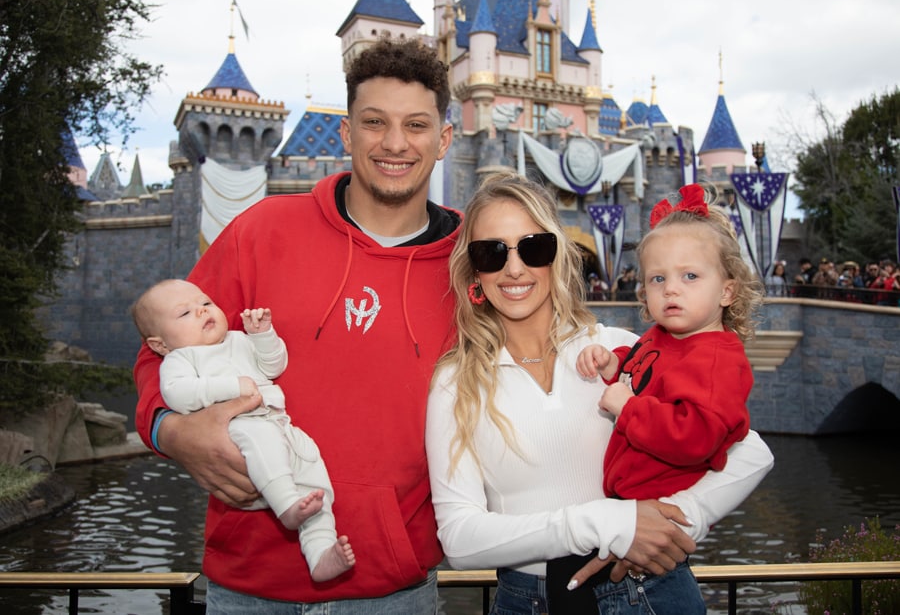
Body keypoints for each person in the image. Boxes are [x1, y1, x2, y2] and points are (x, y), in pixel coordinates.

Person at [133, 37, 459, 612]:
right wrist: (171, 432)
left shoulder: (474, 263)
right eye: (374, 122)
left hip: (392, 589)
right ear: (346, 133)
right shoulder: (263, 231)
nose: (394, 143)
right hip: (251, 583)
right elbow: (159, 351)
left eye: (416, 125)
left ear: (444, 139)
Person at [425, 172, 775, 614]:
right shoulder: (457, 382)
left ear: (557, 254)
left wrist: (670, 524)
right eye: (491, 252)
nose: (514, 269)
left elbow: (750, 451)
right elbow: (459, 539)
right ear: (473, 270)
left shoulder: (616, 349)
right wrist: (608, 524)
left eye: (533, 247)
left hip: (644, 587)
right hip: (528, 601)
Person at [573, 183, 765, 614]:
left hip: (653, 564)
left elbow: (695, 437)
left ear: (728, 291)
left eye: (690, 276)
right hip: (628, 522)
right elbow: (642, 374)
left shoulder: (715, 358)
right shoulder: (662, 338)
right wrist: (612, 363)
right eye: (658, 279)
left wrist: (627, 407)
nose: (671, 289)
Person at [130, 279, 356, 582]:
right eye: (185, 313)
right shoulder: (180, 359)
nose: (201, 311)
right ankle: (286, 505)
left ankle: (320, 552)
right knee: (264, 442)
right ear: (160, 345)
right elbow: (177, 395)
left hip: (279, 424)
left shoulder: (238, 340)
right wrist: (232, 387)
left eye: (206, 303)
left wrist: (263, 336)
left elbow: (273, 366)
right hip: (241, 427)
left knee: (314, 478)